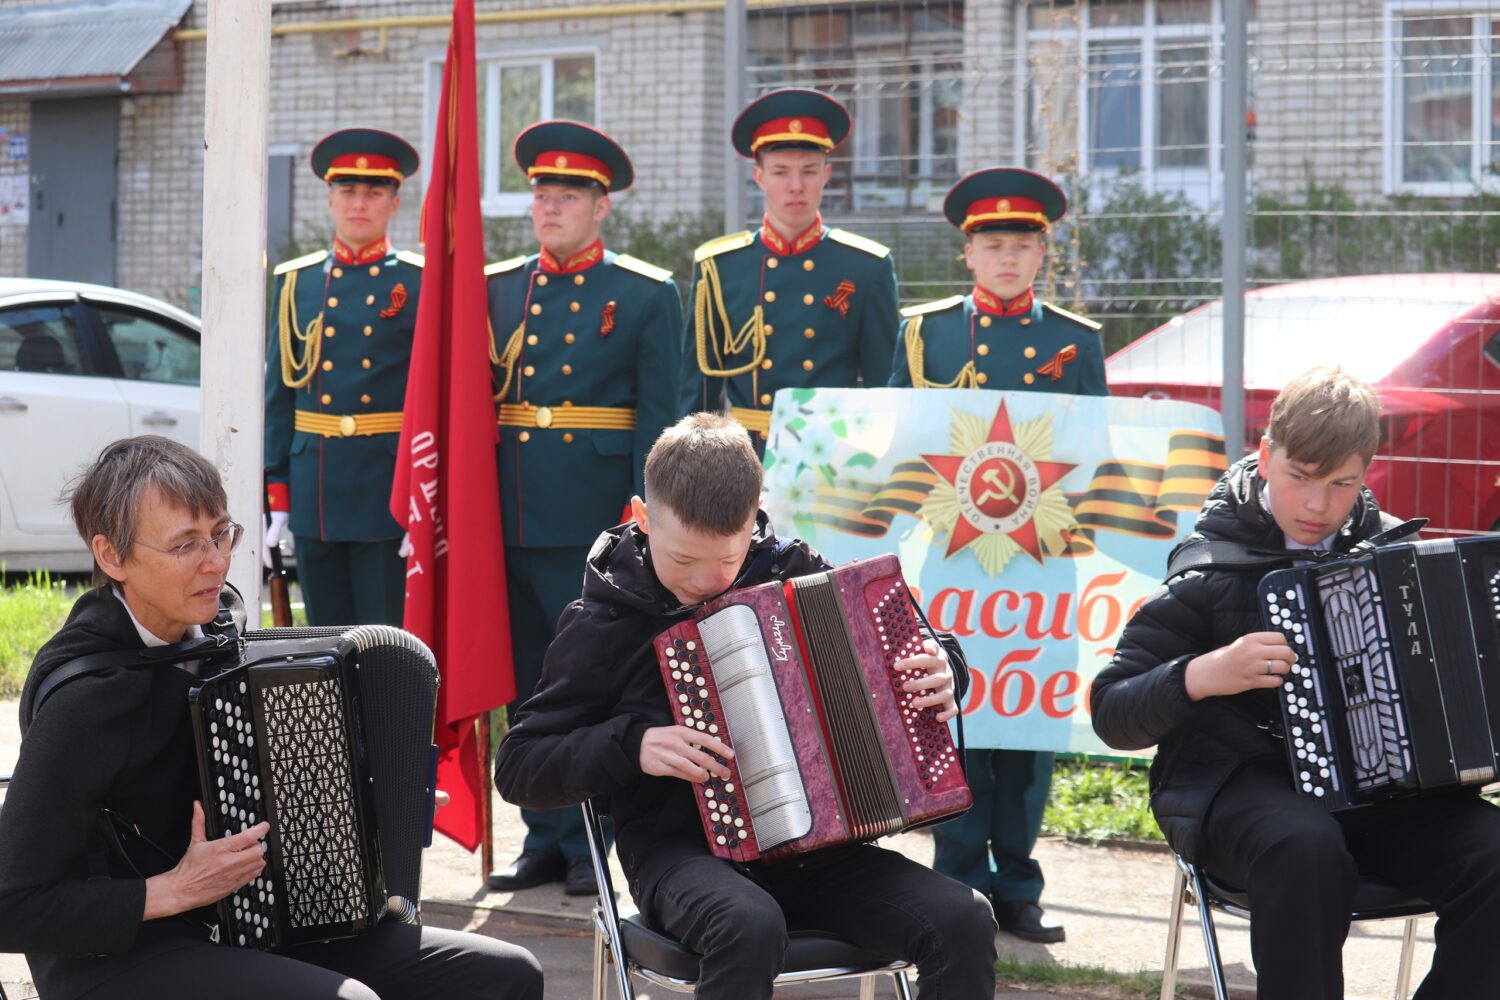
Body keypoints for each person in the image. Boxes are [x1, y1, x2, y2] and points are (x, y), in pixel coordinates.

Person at [0, 436, 543, 1000]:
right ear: (112, 556)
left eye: (221, 534)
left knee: (504, 974)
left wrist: (365, 805)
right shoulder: (86, 698)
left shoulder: (214, 642)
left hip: (248, 921)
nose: (216, 562)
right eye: (186, 545)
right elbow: (12, 904)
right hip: (120, 958)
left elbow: (237, 790)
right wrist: (174, 890)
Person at [494, 413, 997, 999]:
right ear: (640, 516)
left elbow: (914, 647)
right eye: (683, 560)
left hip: (819, 852)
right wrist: (633, 745)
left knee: (964, 916)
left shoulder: (792, 571)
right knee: (749, 924)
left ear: (756, 514)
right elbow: (520, 765)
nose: (706, 580)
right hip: (679, 855)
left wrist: (943, 667)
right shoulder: (602, 623)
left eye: (727, 561)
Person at [1090, 367, 1500, 999]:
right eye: (1300, 478)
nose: (1318, 505)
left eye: (1342, 484)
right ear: (1264, 456)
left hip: (1385, 798)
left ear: (1366, 471)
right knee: (1305, 846)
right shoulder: (1208, 568)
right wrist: (1201, 675)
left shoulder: (1392, 555)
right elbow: (1112, 711)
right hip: (1237, 790)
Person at [891, 166, 1106, 943]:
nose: (1008, 258)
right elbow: (899, 441)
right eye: (993, 245)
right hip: (954, 554)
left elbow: (1096, 453)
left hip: (1041, 560)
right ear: (968, 255)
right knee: (958, 714)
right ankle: (956, 879)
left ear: (1042, 254)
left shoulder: (1074, 342)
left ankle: (1018, 883)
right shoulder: (927, 334)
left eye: (1022, 245)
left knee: (1028, 725)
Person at [484, 120, 682, 897]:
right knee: (523, 683)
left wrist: (647, 520)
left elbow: (659, 415)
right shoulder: (500, 289)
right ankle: (541, 837)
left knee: (586, 683)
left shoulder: (643, 293)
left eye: (568, 196)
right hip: (510, 510)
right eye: (542, 194)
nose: (550, 208)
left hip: (596, 518)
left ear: (602, 207)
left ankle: (588, 842)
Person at [263, 128, 424, 627]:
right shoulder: (297, 282)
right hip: (317, 489)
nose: (360, 203)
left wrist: (424, 499)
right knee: (321, 642)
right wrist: (278, 496)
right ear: (330, 199)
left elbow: (435, 400)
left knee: (383, 643)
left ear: (394, 203)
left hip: (385, 488)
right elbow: (279, 396)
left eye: (374, 193)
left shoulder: (419, 281)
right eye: (348, 192)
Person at [678, 88, 899, 445]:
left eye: (809, 171)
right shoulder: (719, 267)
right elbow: (698, 393)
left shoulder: (865, 267)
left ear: (827, 174)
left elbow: (884, 389)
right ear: (759, 176)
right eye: (781, 172)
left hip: (831, 454)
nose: (796, 186)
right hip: (744, 456)